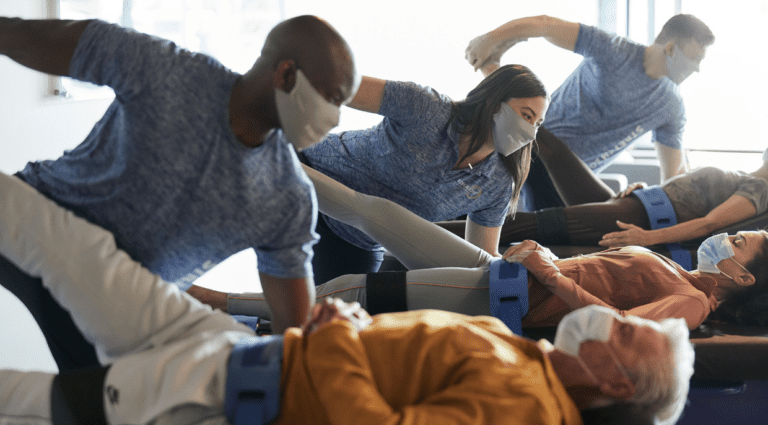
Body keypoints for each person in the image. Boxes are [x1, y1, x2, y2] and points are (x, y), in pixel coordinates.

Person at [0, 171, 693, 425]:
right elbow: (392, 361)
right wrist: (351, 323)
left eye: (627, 332)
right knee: (75, 246)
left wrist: (334, 337)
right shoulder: (527, 360)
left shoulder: (529, 420)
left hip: (212, 400)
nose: (612, 319)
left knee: (17, 401)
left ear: (611, 377)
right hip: (238, 348)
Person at [0, 15, 358, 369]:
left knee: (97, 419)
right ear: (286, 75)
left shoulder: (287, 197)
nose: (337, 118)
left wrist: (321, 344)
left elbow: (291, 331)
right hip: (40, 217)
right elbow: (29, 36)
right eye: (332, 97)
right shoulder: (168, 71)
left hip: (114, 301)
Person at [192, 165, 768, 330]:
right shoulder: (679, 273)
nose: (730, 237)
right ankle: (267, 159)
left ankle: (216, 303)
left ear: (744, 279)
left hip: (508, 298)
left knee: (347, 291)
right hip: (504, 273)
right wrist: (547, 261)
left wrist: (549, 269)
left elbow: (614, 327)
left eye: (743, 243)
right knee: (382, 214)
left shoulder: (692, 306)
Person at [300, 64, 548, 283]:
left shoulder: (498, 182)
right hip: (309, 175)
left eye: (537, 123)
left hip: (355, 240)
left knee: (328, 321)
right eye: (526, 115)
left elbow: (478, 260)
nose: (530, 132)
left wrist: (522, 264)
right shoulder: (428, 108)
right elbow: (339, 86)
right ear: (495, 102)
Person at [465, 14, 715, 209]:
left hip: (572, 180)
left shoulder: (671, 106)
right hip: (533, 142)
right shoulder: (614, 50)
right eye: (695, 58)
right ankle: (493, 72)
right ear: (670, 49)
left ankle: (493, 72)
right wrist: (489, 39)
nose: (698, 69)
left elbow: (671, 176)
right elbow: (545, 25)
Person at [437, 131, 768, 248]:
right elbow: (688, 197)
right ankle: (443, 178)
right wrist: (651, 190)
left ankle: (414, 231)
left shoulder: (762, 191)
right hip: (635, 203)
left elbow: (709, 225)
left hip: (636, 219)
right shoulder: (746, 177)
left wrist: (647, 238)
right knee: (541, 138)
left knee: (525, 225)